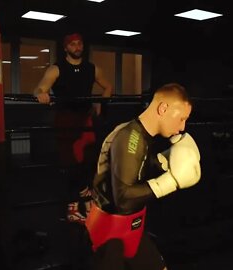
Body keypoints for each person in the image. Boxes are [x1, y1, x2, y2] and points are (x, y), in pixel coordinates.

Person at [85, 83, 201, 270]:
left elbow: (138, 167)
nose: (182, 127)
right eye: (181, 119)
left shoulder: (143, 135)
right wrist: (172, 181)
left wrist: (164, 161)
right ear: (163, 108)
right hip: (109, 234)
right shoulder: (130, 137)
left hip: (132, 227)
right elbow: (123, 199)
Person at [33, 32, 113, 224]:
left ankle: (87, 201)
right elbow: (39, 88)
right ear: (66, 48)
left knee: (88, 160)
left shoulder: (91, 68)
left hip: (86, 120)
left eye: (80, 43)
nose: (77, 47)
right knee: (71, 163)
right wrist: (41, 94)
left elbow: (108, 86)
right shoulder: (57, 68)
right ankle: (74, 207)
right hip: (66, 120)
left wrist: (101, 103)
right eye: (73, 44)